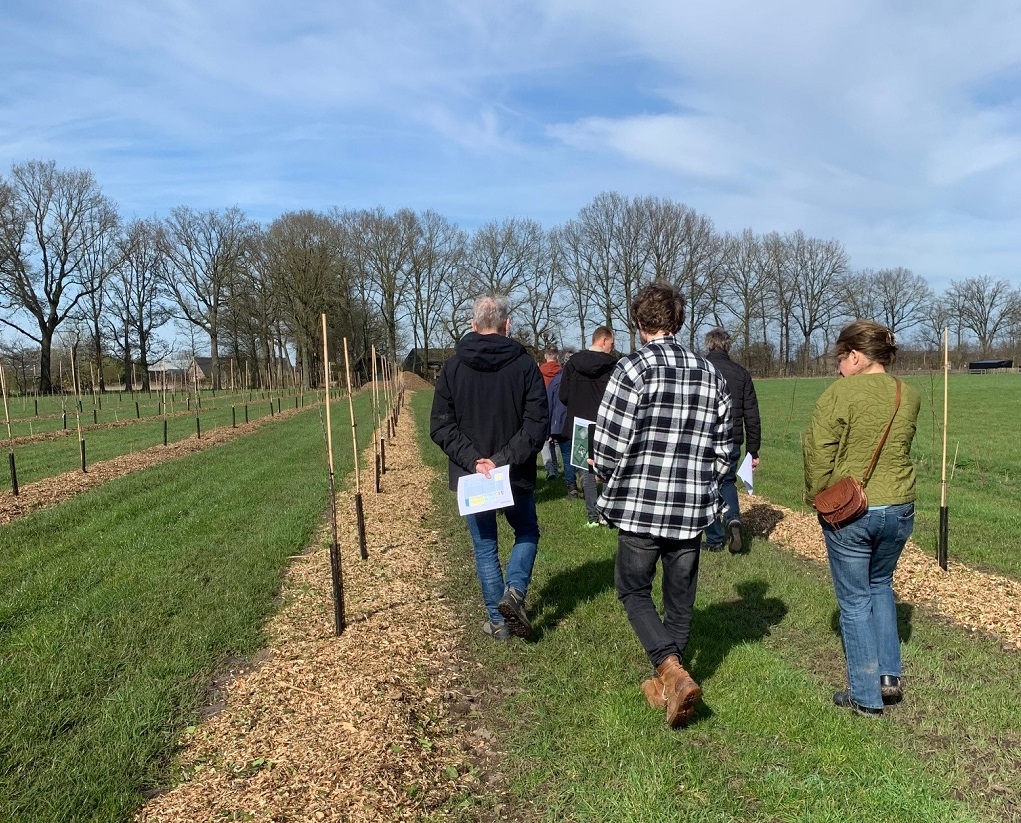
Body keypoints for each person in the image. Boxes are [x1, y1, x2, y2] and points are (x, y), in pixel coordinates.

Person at [592, 283, 732, 728]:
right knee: (680, 596)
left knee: (633, 589)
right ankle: (672, 679)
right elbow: (728, 447)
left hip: (640, 503)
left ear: (639, 323)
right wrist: (707, 481)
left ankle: (670, 671)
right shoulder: (710, 373)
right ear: (679, 322)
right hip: (691, 506)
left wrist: (602, 470)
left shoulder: (632, 368)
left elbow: (609, 441)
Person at [803, 320, 920, 716]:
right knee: (881, 584)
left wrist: (818, 497)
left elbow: (818, 454)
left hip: (854, 511)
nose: (838, 367)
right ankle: (889, 677)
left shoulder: (839, 394)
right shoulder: (909, 393)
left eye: (840, 358)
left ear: (855, 356)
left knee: (853, 602)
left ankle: (865, 697)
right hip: (901, 507)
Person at [430, 294, 549, 641]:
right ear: (506, 325)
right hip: (514, 471)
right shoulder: (525, 365)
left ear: (473, 325)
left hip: (474, 475)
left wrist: (474, 461)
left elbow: (440, 424)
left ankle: (499, 622)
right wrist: (502, 460)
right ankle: (513, 592)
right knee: (526, 530)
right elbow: (536, 422)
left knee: (485, 547)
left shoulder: (451, 367)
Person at [702, 327, 761, 554]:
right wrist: (753, 450)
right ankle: (733, 518)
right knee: (727, 482)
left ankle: (715, 538)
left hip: (705, 436)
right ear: (728, 346)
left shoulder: (701, 369)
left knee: (705, 485)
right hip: (732, 438)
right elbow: (752, 413)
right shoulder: (741, 373)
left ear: (709, 345)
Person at [559, 326, 617, 523]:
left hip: (580, 424)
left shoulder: (572, 364)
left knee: (587, 471)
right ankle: (608, 514)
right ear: (603, 340)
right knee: (610, 469)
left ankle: (592, 516)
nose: (612, 347)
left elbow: (563, 396)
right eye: (611, 343)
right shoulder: (613, 366)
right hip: (605, 424)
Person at [545, 347, 577, 497]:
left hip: (561, 423)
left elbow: (549, 404)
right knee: (579, 453)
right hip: (578, 422)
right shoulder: (580, 379)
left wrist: (548, 428)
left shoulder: (556, 380)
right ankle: (583, 481)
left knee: (566, 454)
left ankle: (572, 487)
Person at [538, 344, 562, 479]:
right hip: (558, 409)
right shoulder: (562, 372)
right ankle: (556, 468)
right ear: (557, 356)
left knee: (545, 441)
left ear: (545, 356)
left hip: (544, 407)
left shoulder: (539, 372)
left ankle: (550, 469)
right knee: (557, 441)